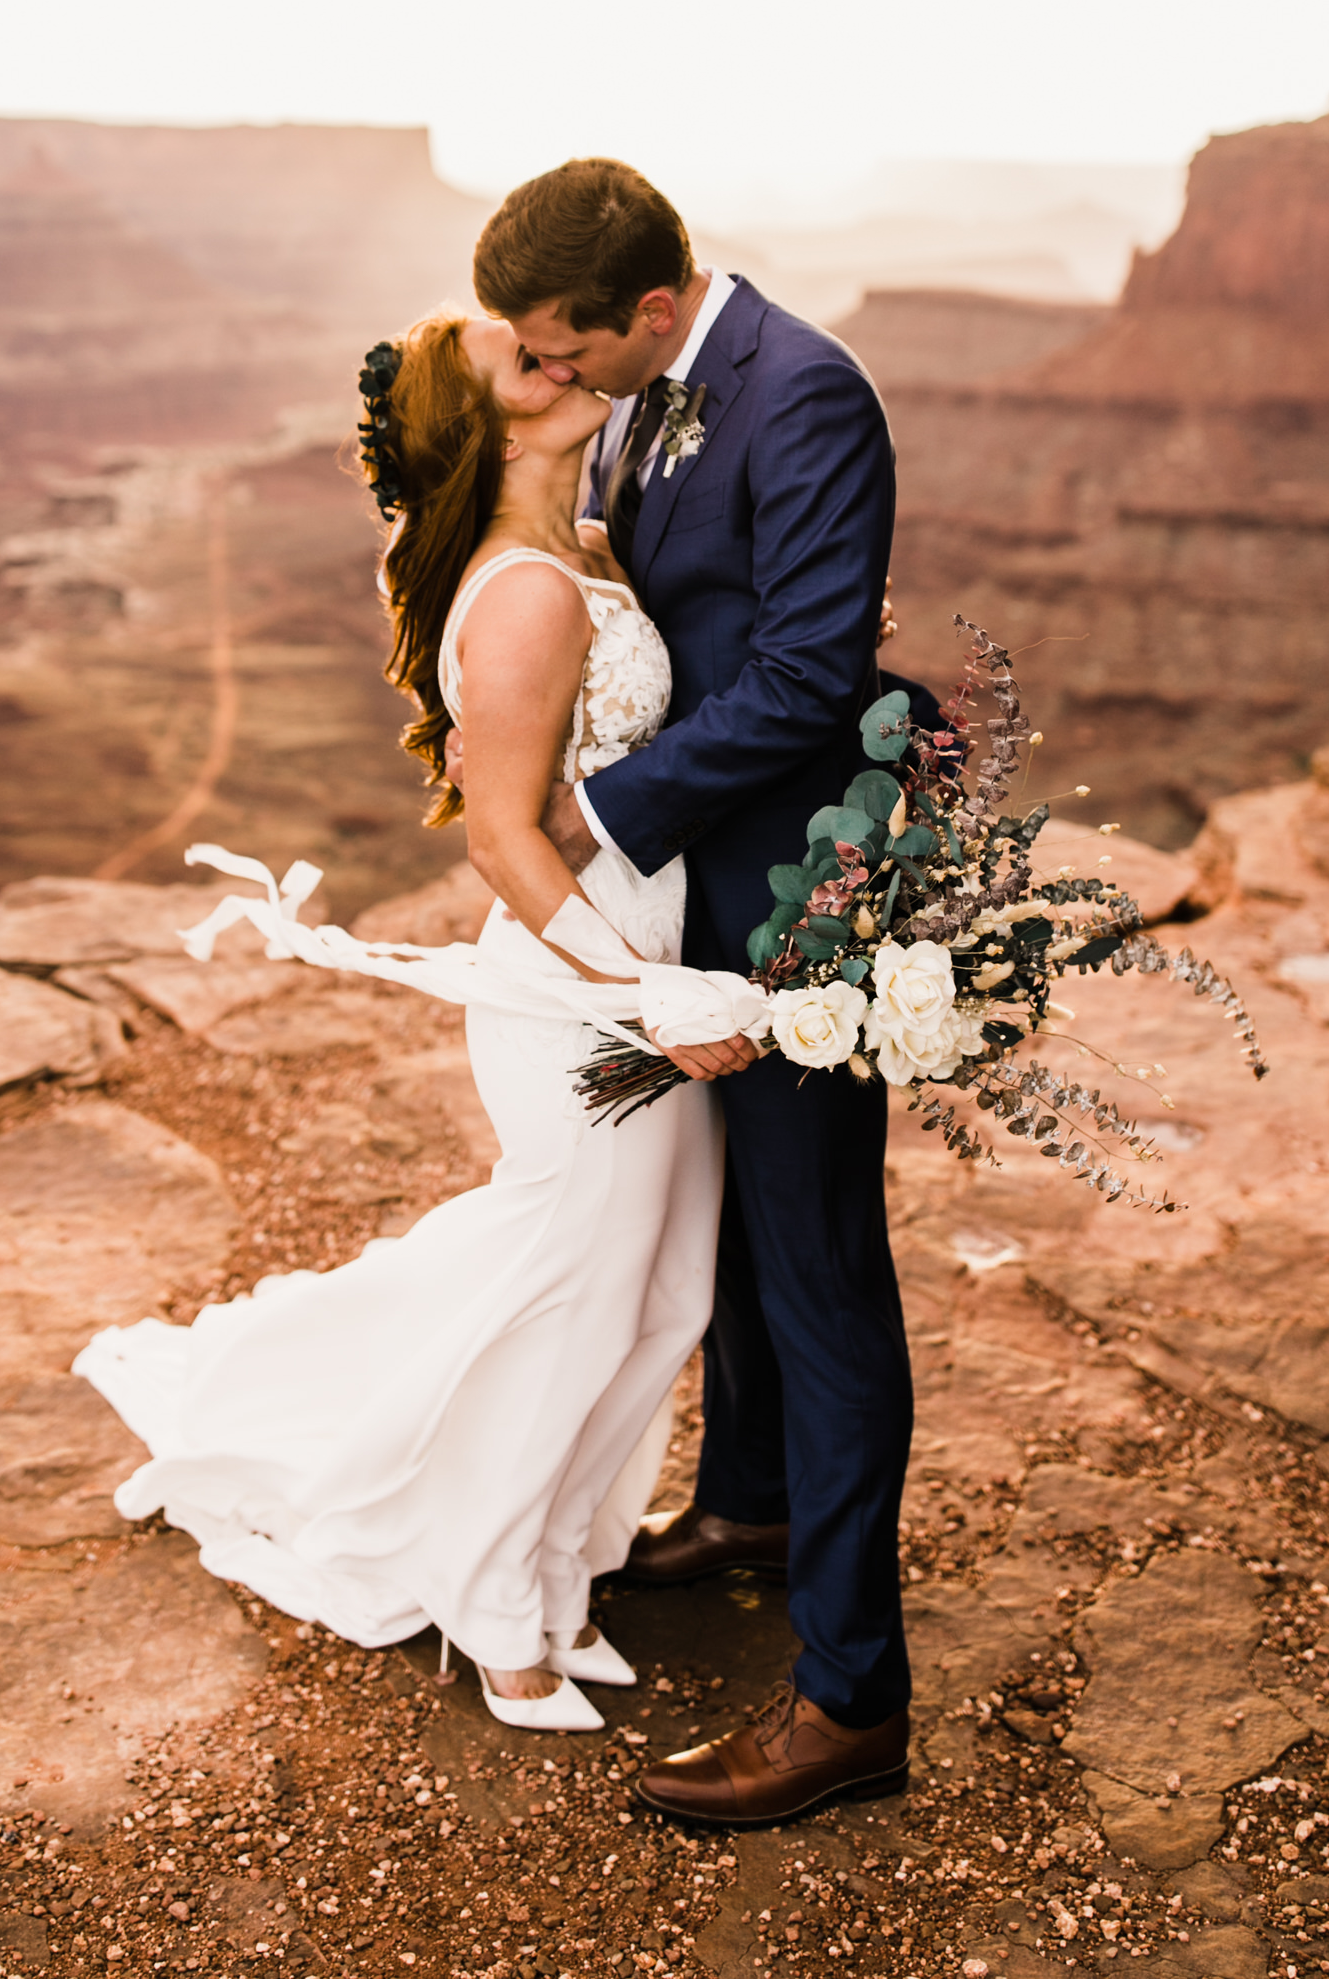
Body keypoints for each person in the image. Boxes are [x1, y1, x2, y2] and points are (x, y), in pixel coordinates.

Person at [75, 303, 725, 1735]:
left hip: (640, 964)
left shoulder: (585, 555)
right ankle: (498, 1613)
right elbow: (502, 841)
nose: (566, 366)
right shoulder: (528, 595)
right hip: (585, 990)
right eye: (529, 364)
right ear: (488, 428)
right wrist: (648, 995)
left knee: (663, 1292)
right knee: (577, 1298)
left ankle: (559, 1570)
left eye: (563, 350)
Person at [472, 158, 943, 1825]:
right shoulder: (651, 399)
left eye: (569, 348)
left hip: (792, 903)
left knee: (818, 1267)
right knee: (731, 1228)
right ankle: (746, 1502)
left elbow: (818, 674)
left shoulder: (802, 393)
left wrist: (590, 816)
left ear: (655, 311)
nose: (558, 375)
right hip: (692, 899)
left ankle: (846, 1696)